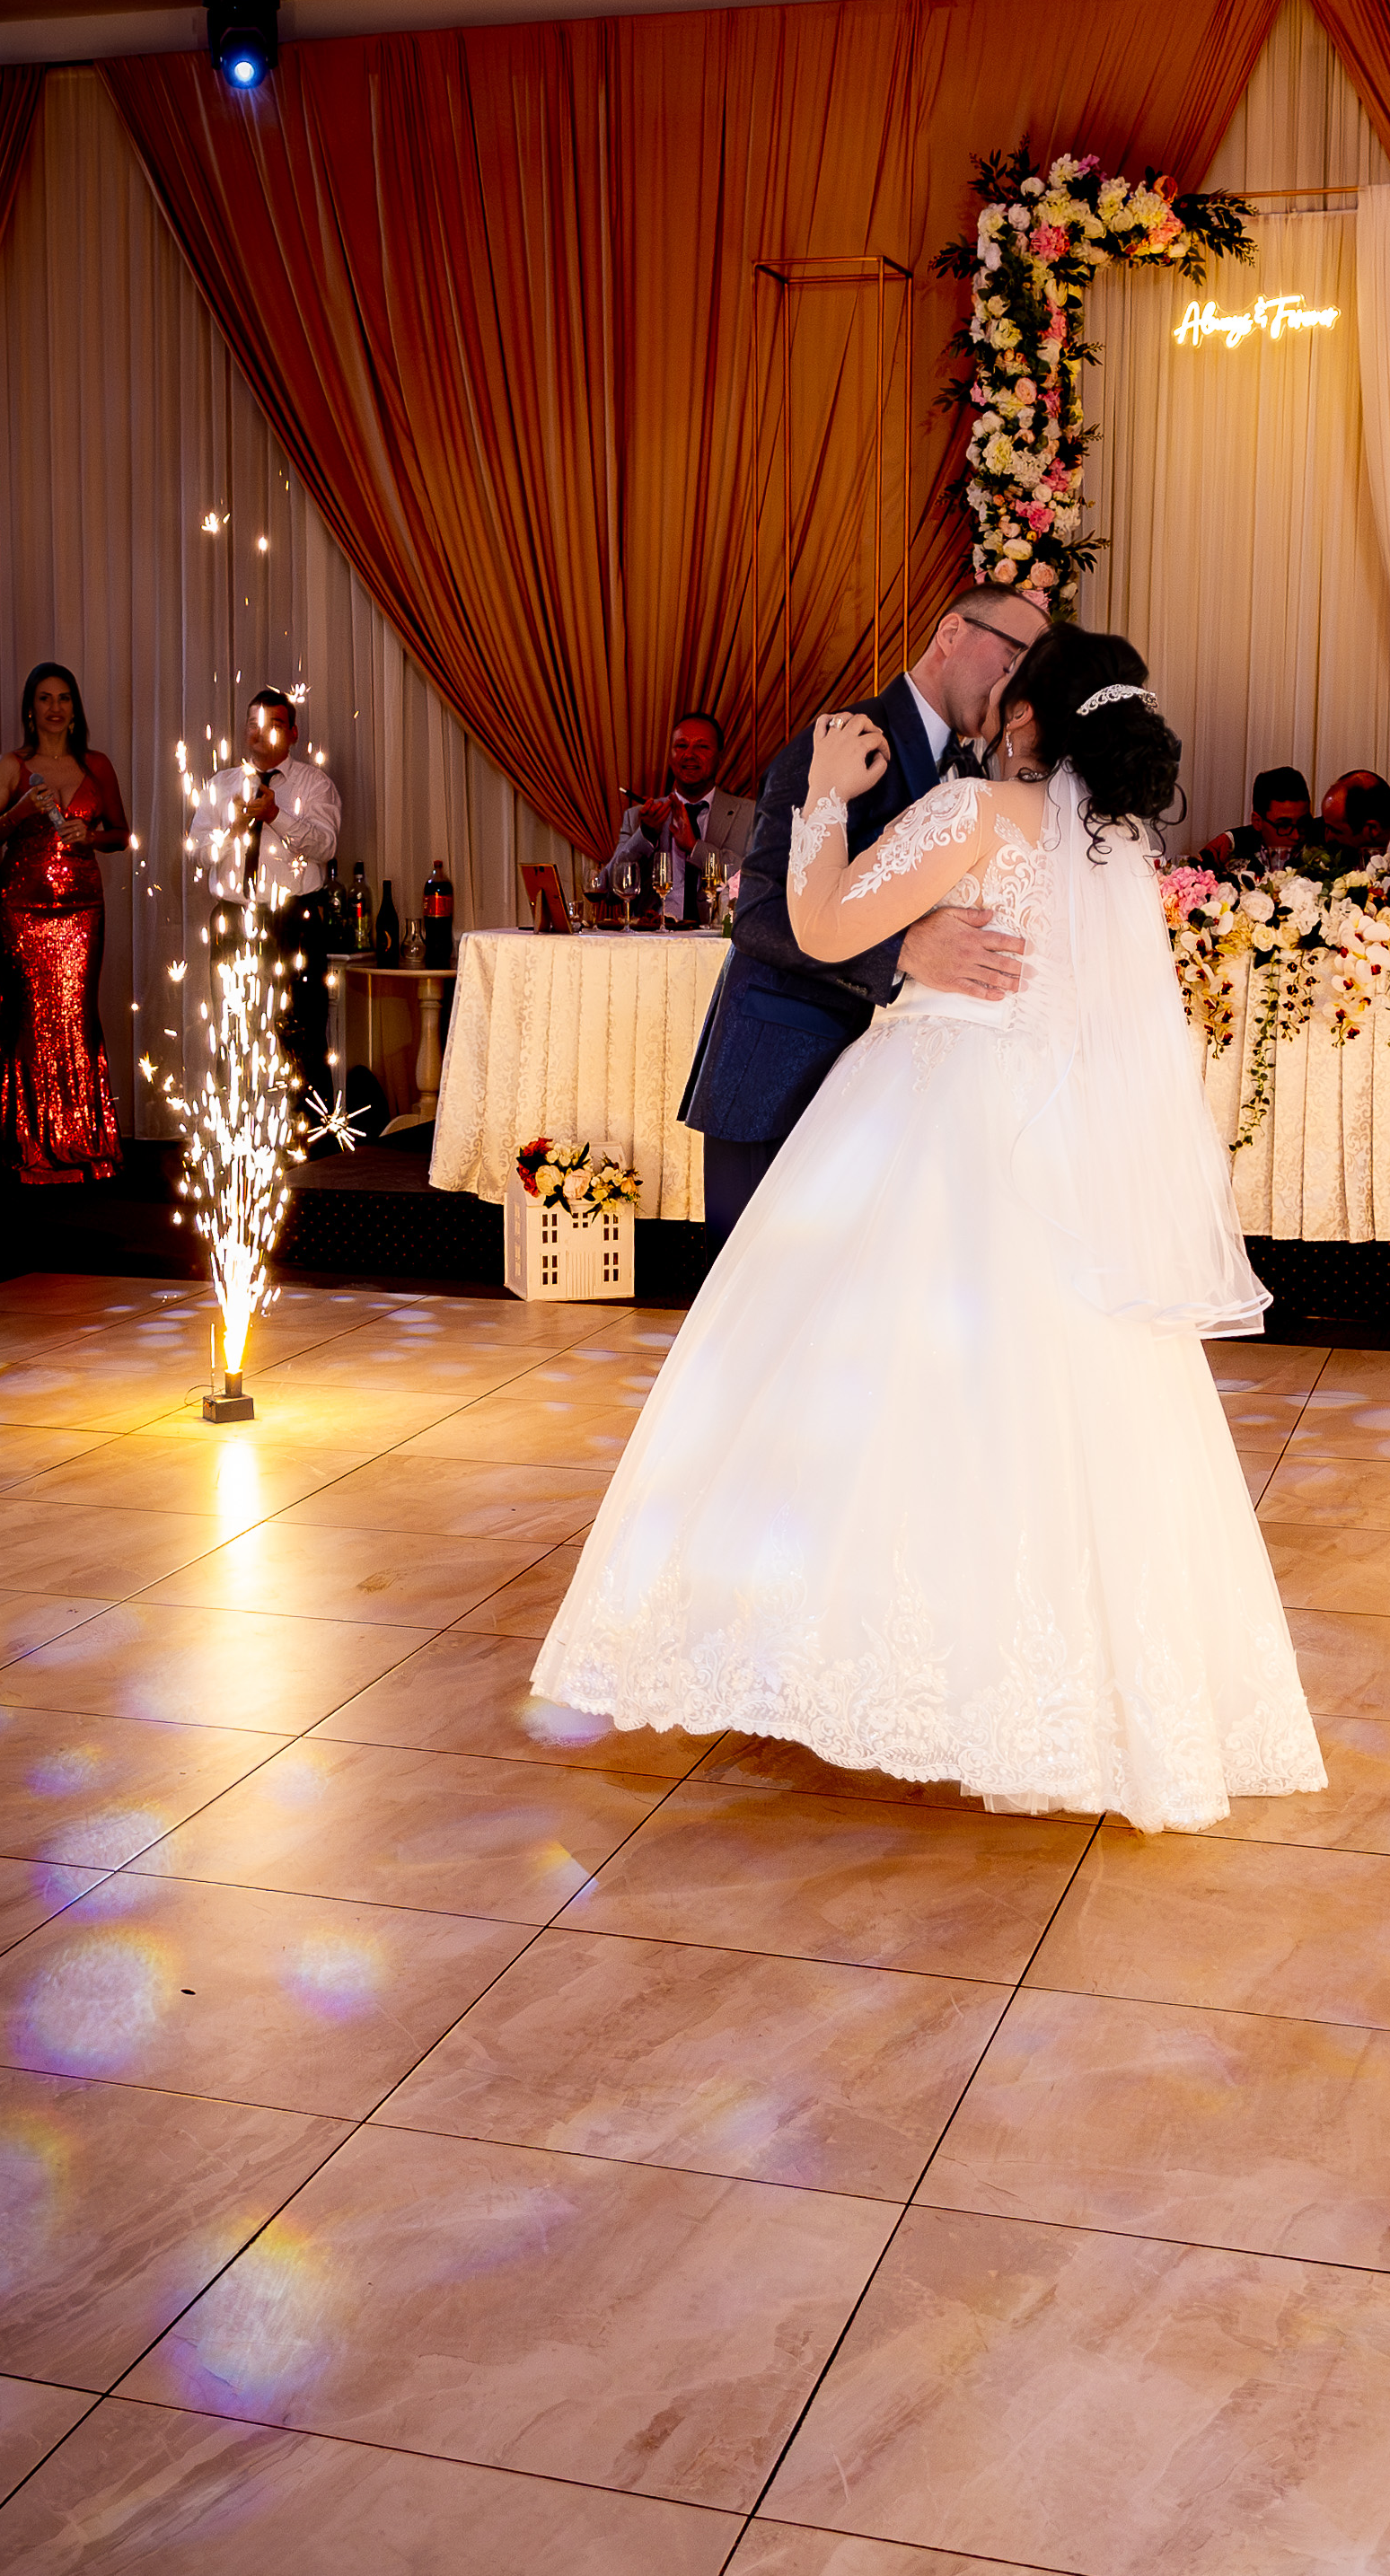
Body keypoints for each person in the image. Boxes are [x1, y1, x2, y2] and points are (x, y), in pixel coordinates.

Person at [537, 626, 1325, 1835]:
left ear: (1026, 718)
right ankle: (1062, 1699)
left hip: (928, 1110)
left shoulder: (973, 813)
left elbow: (821, 923)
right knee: (1052, 1416)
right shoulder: (1116, 849)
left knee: (859, 1387)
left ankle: (838, 1652)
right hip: (1052, 1146)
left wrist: (823, 796)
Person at [678, 584, 1049, 1234]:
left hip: (891, 1093)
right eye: (1014, 655)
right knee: (763, 1282)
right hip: (780, 1066)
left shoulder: (985, 773)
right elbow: (758, 912)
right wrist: (905, 948)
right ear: (952, 633)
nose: (1016, 680)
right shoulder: (837, 739)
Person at [0, 663, 128, 1183]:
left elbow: (122, 834)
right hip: (21, 910)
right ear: (30, 709)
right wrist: (19, 812)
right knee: (27, 1020)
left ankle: (83, 1142)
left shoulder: (97, 765)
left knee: (77, 1017)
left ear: (75, 709)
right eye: (45, 698)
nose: (55, 708)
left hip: (82, 911)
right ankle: (23, 1143)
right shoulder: (11, 766)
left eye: (64, 698)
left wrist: (92, 835)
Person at [186, 687, 343, 1105]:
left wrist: (276, 815)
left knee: (303, 1030)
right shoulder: (221, 785)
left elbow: (325, 847)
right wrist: (234, 828)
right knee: (234, 1028)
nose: (262, 733)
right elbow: (198, 855)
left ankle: (313, 1135)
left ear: (292, 733)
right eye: (254, 724)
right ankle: (238, 1127)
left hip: (295, 920)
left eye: (274, 724)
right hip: (234, 919)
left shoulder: (314, 784)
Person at [603, 709, 751, 925]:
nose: (689, 754)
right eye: (681, 746)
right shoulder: (638, 817)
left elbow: (754, 881)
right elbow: (608, 891)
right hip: (653, 939)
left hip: (719, 938)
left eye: (702, 746)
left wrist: (695, 847)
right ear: (670, 756)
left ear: (720, 757)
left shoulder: (748, 814)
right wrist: (645, 835)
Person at [1198, 765, 1313, 876]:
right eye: (1283, 825)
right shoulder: (1235, 862)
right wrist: (1231, 837)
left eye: (1303, 823)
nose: (1296, 836)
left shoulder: (1318, 845)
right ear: (1257, 822)